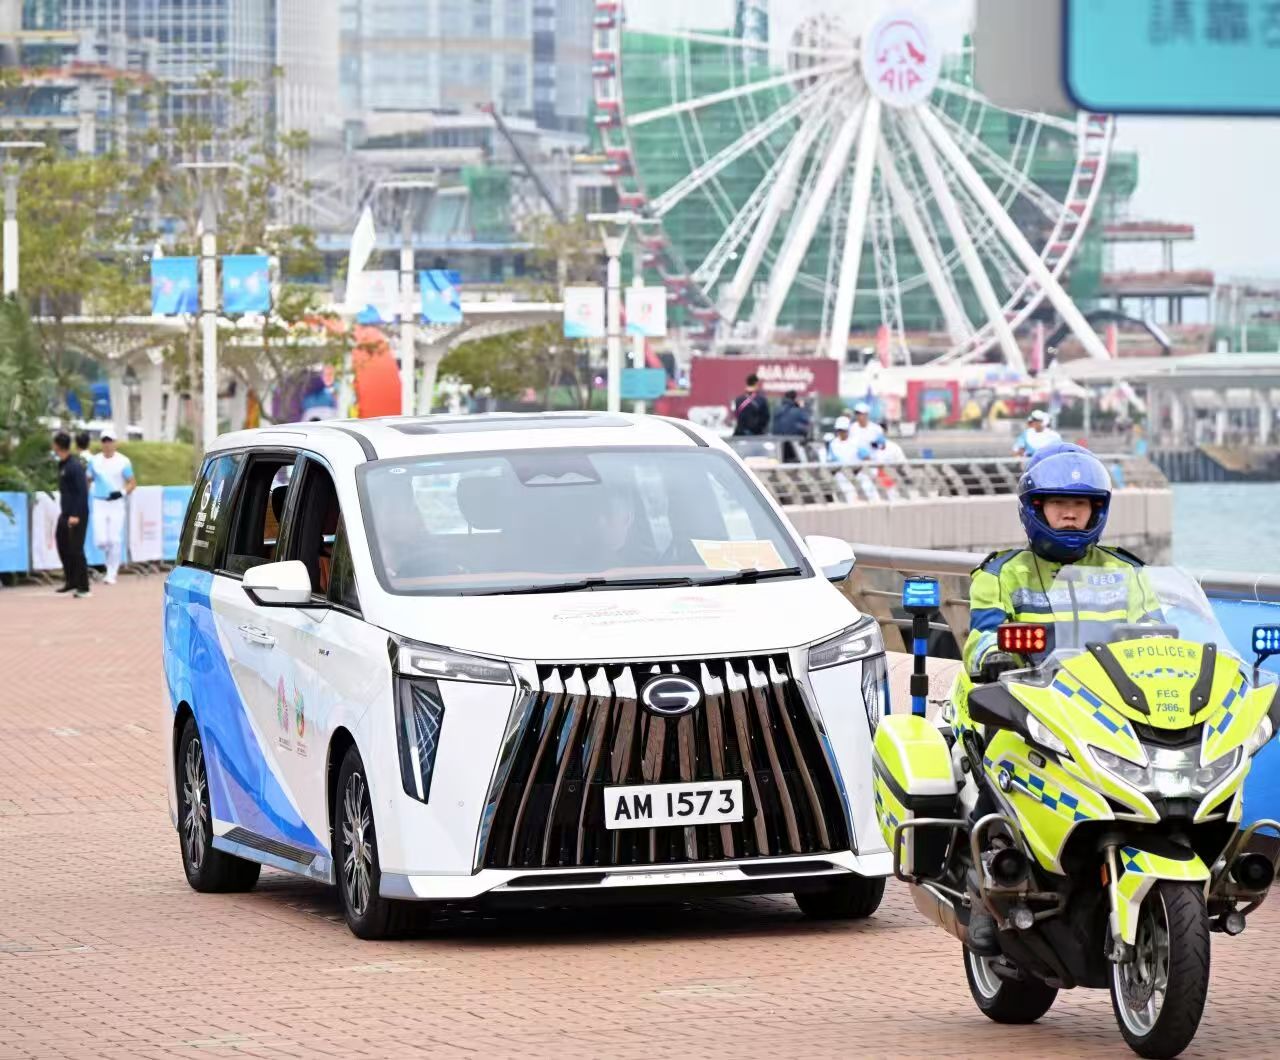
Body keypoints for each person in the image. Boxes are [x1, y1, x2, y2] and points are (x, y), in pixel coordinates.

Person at [961, 443, 1153, 954]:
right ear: (1035, 508)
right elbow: (980, 637)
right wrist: (995, 653)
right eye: (1057, 502)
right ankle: (983, 891)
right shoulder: (1002, 573)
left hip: (1104, 703)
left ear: (1098, 510)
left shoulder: (1128, 573)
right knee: (996, 778)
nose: (1071, 512)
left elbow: (1159, 634)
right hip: (1023, 703)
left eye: (1082, 503)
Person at [86, 424, 136, 584]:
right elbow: (88, 479)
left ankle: (111, 573)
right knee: (101, 540)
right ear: (101, 443)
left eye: (110, 441)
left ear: (114, 443)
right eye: (104, 441)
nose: (107, 444)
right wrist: (88, 492)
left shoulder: (123, 461)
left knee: (114, 539)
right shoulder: (94, 461)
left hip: (116, 504)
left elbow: (132, 483)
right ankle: (109, 564)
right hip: (99, 503)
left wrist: (120, 492)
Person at [52, 431, 90, 598]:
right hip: (65, 513)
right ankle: (71, 580)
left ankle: (83, 586)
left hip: (77, 514)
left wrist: (75, 514)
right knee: (63, 545)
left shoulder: (74, 466)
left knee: (76, 549)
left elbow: (82, 492)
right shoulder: (63, 465)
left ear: (58, 446)